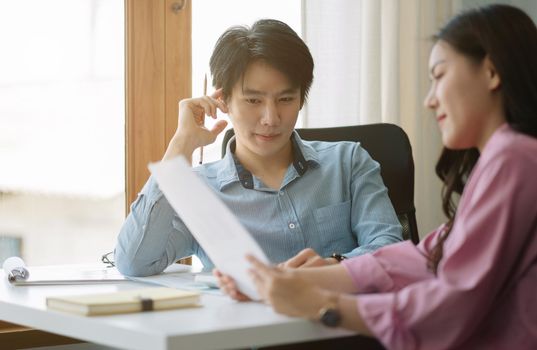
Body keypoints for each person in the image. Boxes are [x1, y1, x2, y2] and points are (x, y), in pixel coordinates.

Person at [217, 5, 537, 349]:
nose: (429, 100)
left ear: (491, 72)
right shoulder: (510, 158)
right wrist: (291, 279)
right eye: (253, 99)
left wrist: (320, 304)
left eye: (439, 75)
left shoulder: (514, 158)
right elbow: (425, 257)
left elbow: (449, 306)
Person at [114, 19, 402, 276]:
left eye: (285, 99)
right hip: (245, 335)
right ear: (223, 100)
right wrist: (181, 145)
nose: (270, 119)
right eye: (253, 101)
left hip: (340, 329)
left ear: (301, 99)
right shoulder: (200, 192)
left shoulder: (348, 162)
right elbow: (134, 263)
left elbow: (390, 251)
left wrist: (332, 266)